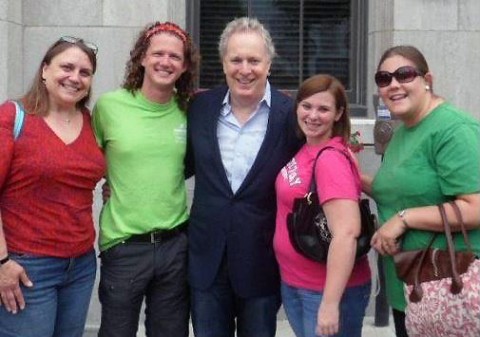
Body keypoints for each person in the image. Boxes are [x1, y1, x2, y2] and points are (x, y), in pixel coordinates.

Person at [186, 17, 301, 337]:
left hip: (262, 263)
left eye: (254, 60)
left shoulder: (291, 115)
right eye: (236, 59)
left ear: (268, 64)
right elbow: (178, 165)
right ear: (223, 63)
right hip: (207, 262)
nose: (244, 69)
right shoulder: (200, 108)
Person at [362, 45, 480, 337]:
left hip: (451, 291)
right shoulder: (404, 131)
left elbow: (475, 207)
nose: (394, 84)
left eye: (404, 74)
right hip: (412, 292)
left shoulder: (453, 129)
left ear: (427, 79)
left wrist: (403, 219)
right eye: (384, 78)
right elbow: (393, 191)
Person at [92, 21, 199, 337]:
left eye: (175, 57)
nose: (165, 62)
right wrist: (106, 184)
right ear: (141, 58)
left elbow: (190, 164)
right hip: (124, 245)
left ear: (184, 66)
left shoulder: (189, 111)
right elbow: (85, 160)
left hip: (175, 245)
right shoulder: (110, 106)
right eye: (158, 53)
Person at [0, 36, 105, 337]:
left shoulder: (88, 120)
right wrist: (2, 262)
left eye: (84, 72)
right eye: (67, 67)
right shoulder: (13, 117)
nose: (75, 78)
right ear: (45, 70)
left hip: (81, 265)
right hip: (27, 267)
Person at [274, 74, 372, 337]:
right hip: (297, 283)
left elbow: (346, 233)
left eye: (324, 109)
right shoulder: (309, 148)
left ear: (339, 113)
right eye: (306, 106)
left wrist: (329, 304)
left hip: (324, 292)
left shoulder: (330, 159)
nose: (313, 115)